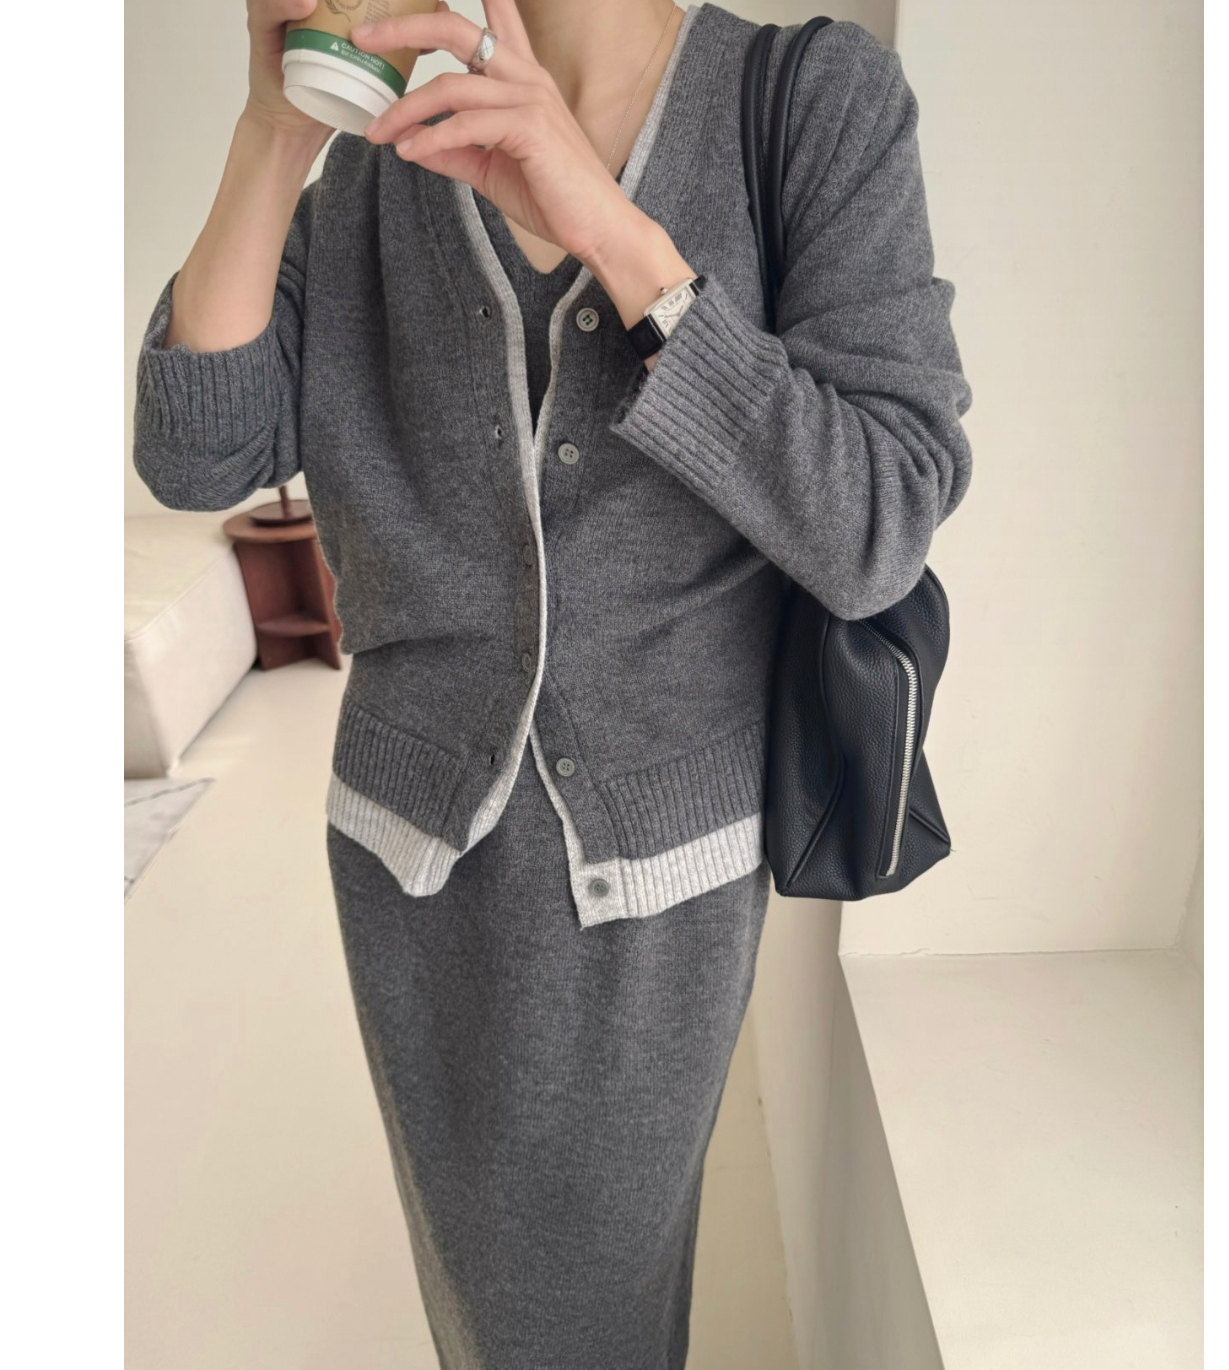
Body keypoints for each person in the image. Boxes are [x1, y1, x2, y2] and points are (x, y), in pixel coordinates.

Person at [132, 0, 973, 1364]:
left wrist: (616, 234)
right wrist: (274, 130)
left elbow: (878, 516)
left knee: (592, 1317)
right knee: (479, 1304)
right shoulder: (383, 165)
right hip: (404, 851)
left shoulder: (808, 100)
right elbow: (196, 453)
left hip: (657, 871)